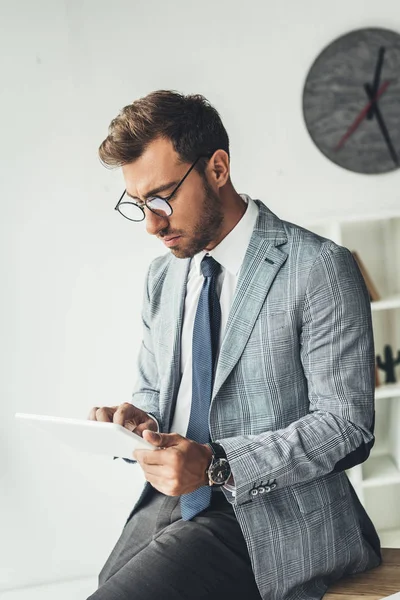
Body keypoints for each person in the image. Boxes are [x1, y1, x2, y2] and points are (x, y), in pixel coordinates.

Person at [87, 90, 381, 600]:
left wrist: (219, 463)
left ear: (217, 168)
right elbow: (157, 389)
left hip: (280, 516)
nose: (153, 224)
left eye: (162, 197)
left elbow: (347, 427)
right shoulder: (163, 277)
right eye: (138, 206)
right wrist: (143, 419)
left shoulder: (317, 267)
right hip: (173, 501)